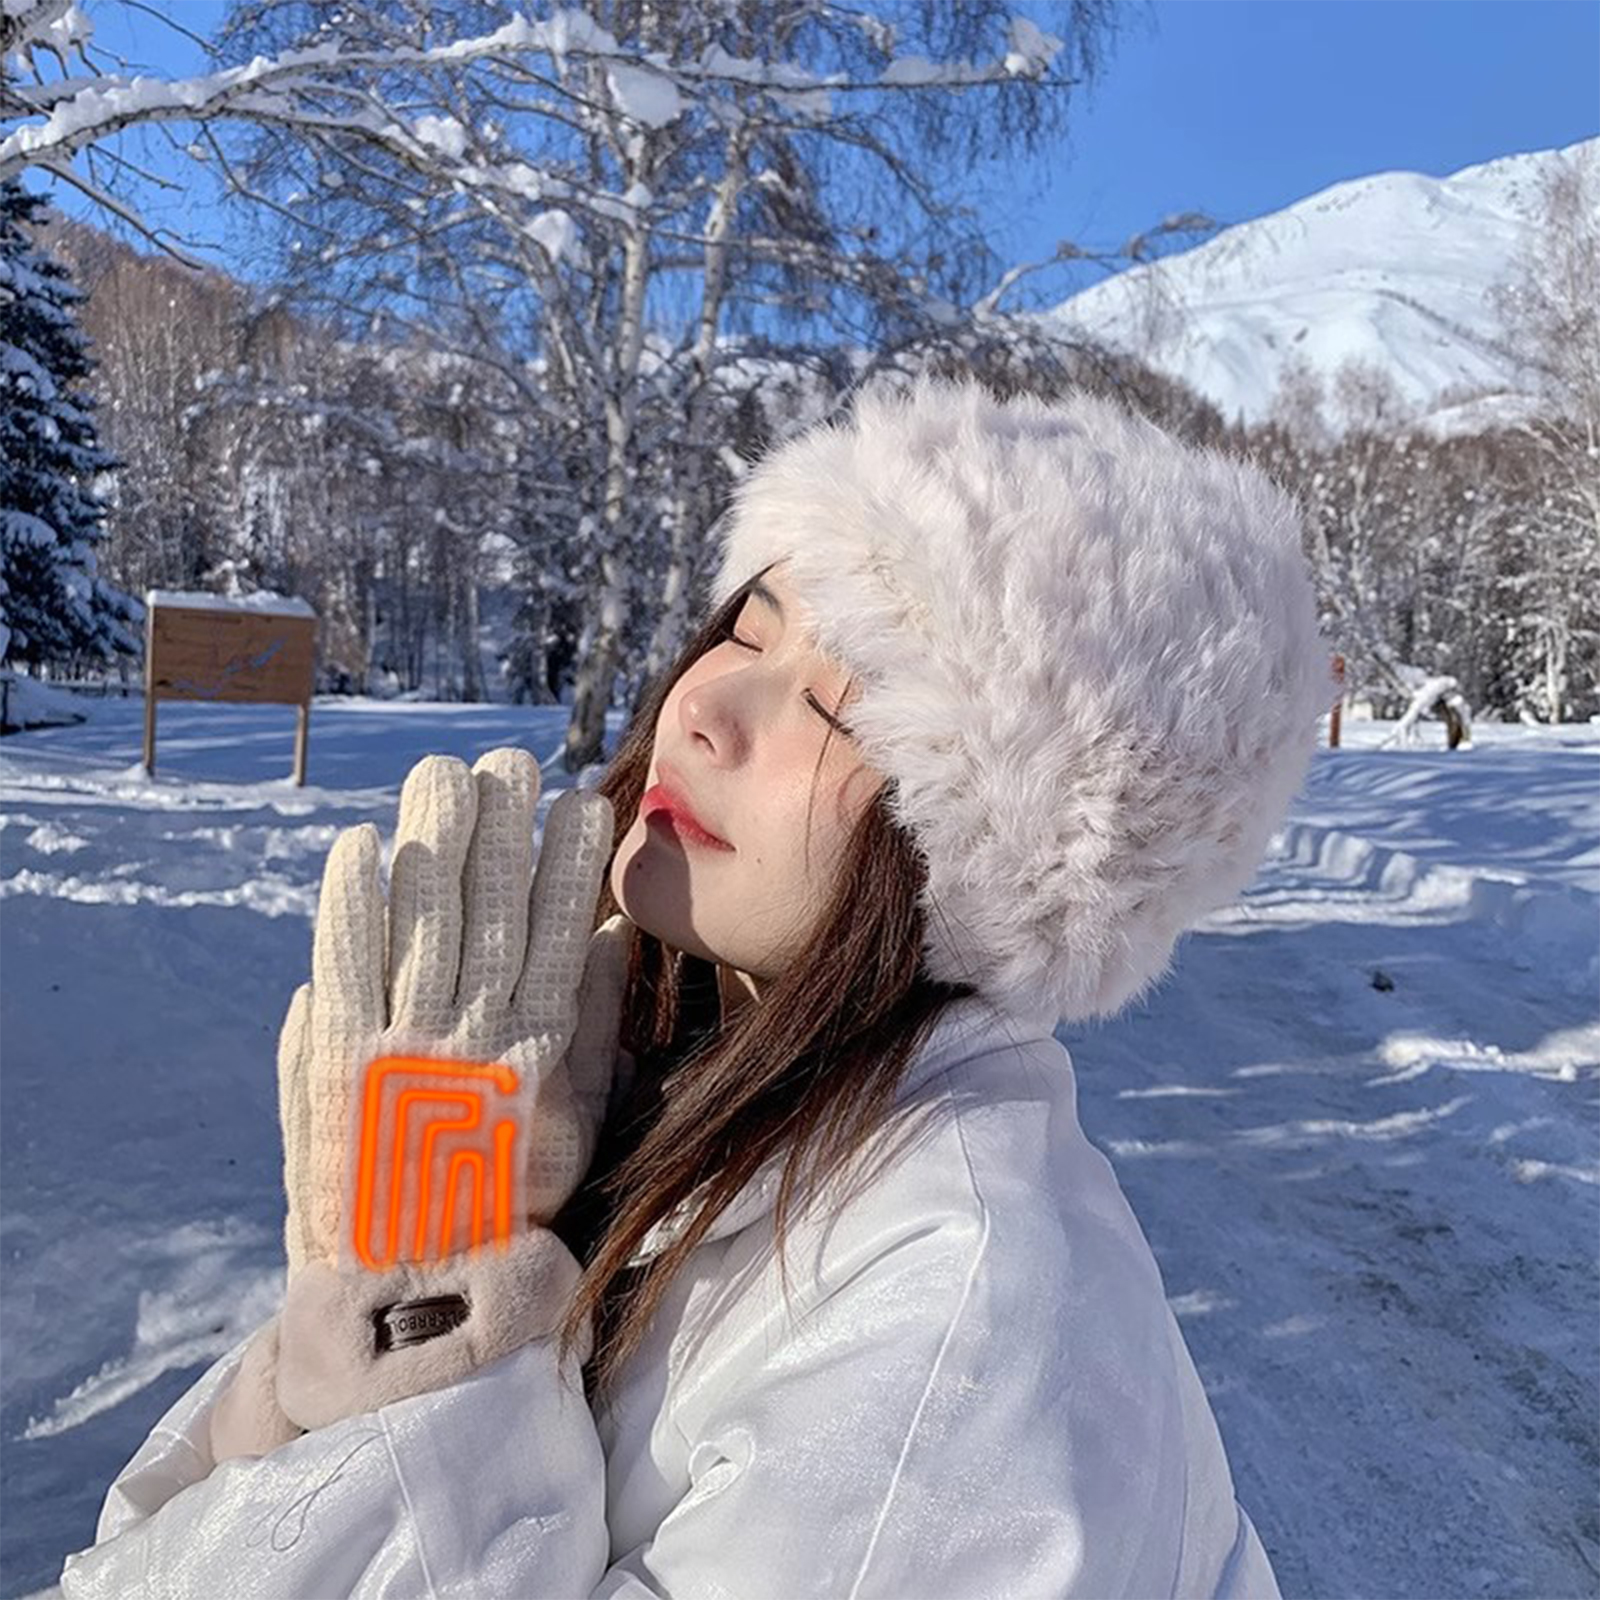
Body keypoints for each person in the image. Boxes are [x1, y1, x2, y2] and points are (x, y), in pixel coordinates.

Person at [59, 374, 1333, 1598]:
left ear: (992, 854)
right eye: (746, 628)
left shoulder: (960, 1330)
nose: (704, 707)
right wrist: (416, 1261)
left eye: (836, 708)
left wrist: (429, 1334)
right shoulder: (648, 1080)